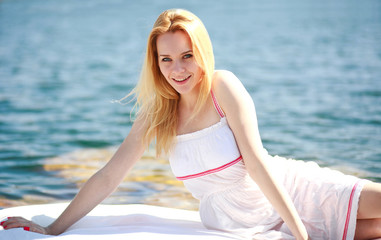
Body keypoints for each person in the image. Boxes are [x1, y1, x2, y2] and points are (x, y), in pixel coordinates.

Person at [1, 8, 381, 240]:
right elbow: (109, 176)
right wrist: (53, 228)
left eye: (186, 56)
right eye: (166, 60)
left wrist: (299, 233)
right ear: (156, 63)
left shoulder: (223, 85)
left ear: (202, 53)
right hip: (235, 224)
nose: (177, 69)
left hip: (292, 193)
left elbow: (257, 162)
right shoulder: (158, 111)